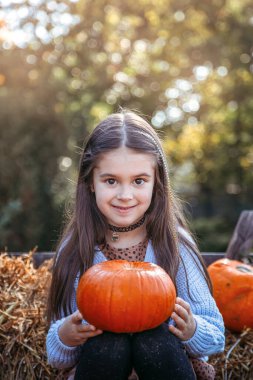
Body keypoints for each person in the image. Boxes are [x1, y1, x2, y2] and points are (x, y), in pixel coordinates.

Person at [46, 110, 225, 380]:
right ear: (90, 182)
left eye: (139, 181)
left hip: (164, 363)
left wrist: (192, 330)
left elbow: (215, 337)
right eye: (111, 181)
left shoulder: (174, 244)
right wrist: (66, 336)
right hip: (100, 365)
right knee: (109, 343)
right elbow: (56, 357)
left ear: (156, 183)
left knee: (154, 338)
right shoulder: (75, 248)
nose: (125, 195)